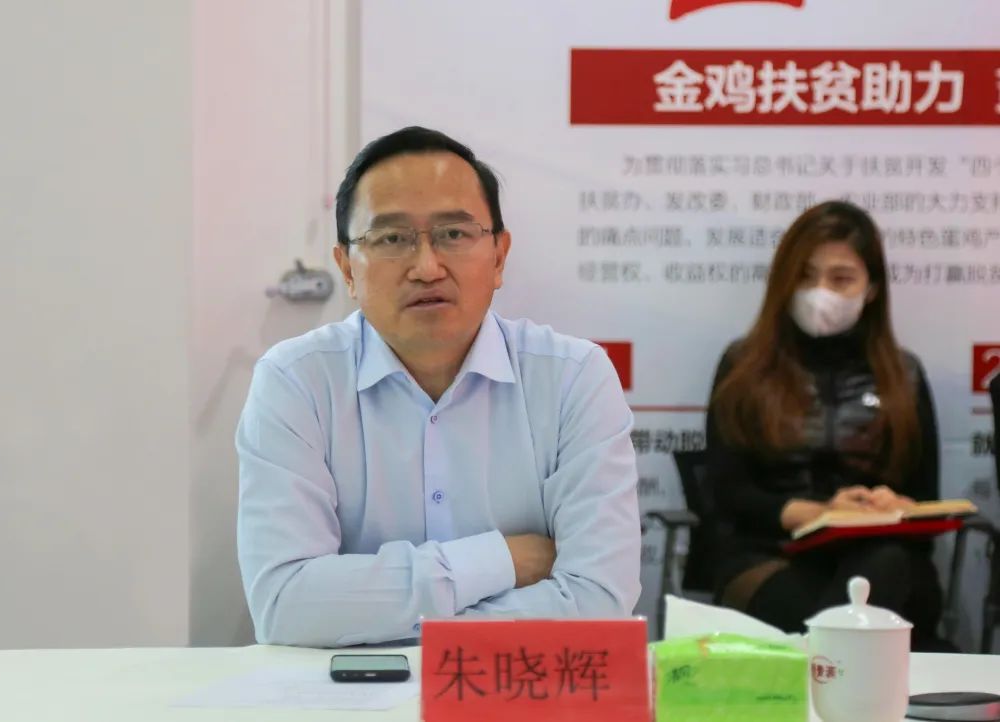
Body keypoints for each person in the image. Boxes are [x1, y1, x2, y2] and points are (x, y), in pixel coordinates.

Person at [236, 126, 642, 647]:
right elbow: (285, 606)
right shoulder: (297, 381)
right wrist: (501, 559)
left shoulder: (573, 377)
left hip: (516, 687)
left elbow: (599, 602)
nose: (427, 268)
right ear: (347, 269)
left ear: (498, 257)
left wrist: (383, 620)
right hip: (349, 689)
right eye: (392, 239)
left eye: (453, 234)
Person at [705, 200, 952, 651]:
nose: (820, 292)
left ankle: (827, 671)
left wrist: (891, 506)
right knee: (841, 613)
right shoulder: (744, 368)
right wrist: (818, 514)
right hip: (769, 556)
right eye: (805, 275)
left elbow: (926, 500)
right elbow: (725, 491)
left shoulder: (904, 375)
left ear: (871, 288)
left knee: (881, 569)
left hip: (883, 558)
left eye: (841, 279)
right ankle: (840, 671)